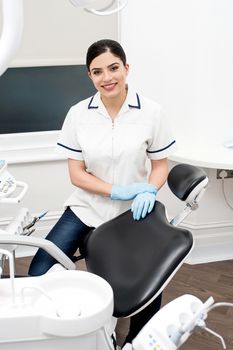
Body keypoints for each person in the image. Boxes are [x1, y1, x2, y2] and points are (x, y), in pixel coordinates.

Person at [28, 39, 176, 345]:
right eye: (97, 72)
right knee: (39, 269)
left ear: (126, 68)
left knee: (150, 283)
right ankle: (59, 333)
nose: (107, 78)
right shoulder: (78, 114)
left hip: (133, 211)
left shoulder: (151, 112)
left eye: (113, 68)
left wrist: (148, 189)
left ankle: (136, 340)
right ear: (90, 76)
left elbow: (160, 165)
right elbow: (76, 175)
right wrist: (117, 190)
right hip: (86, 207)